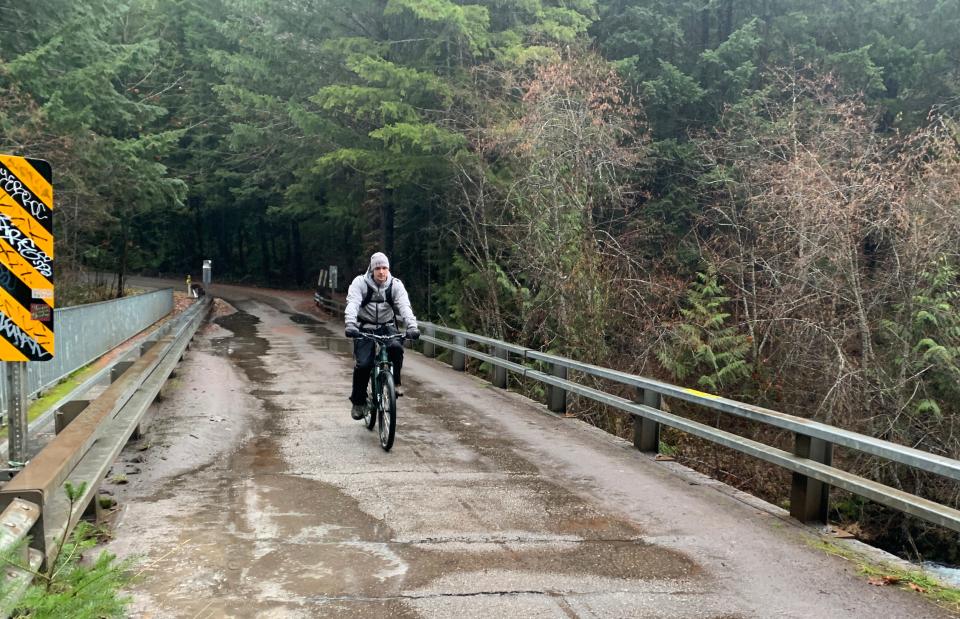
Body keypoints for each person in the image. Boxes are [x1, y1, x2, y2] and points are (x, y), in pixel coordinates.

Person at [344, 252, 419, 419]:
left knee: (396, 348)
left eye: (384, 268)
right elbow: (353, 303)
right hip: (365, 327)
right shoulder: (360, 283)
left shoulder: (395, 285)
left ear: (388, 269)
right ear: (371, 269)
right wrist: (350, 323)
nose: (381, 272)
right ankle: (358, 402)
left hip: (387, 326)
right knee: (364, 365)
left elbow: (404, 306)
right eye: (377, 268)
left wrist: (412, 326)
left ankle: (396, 382)